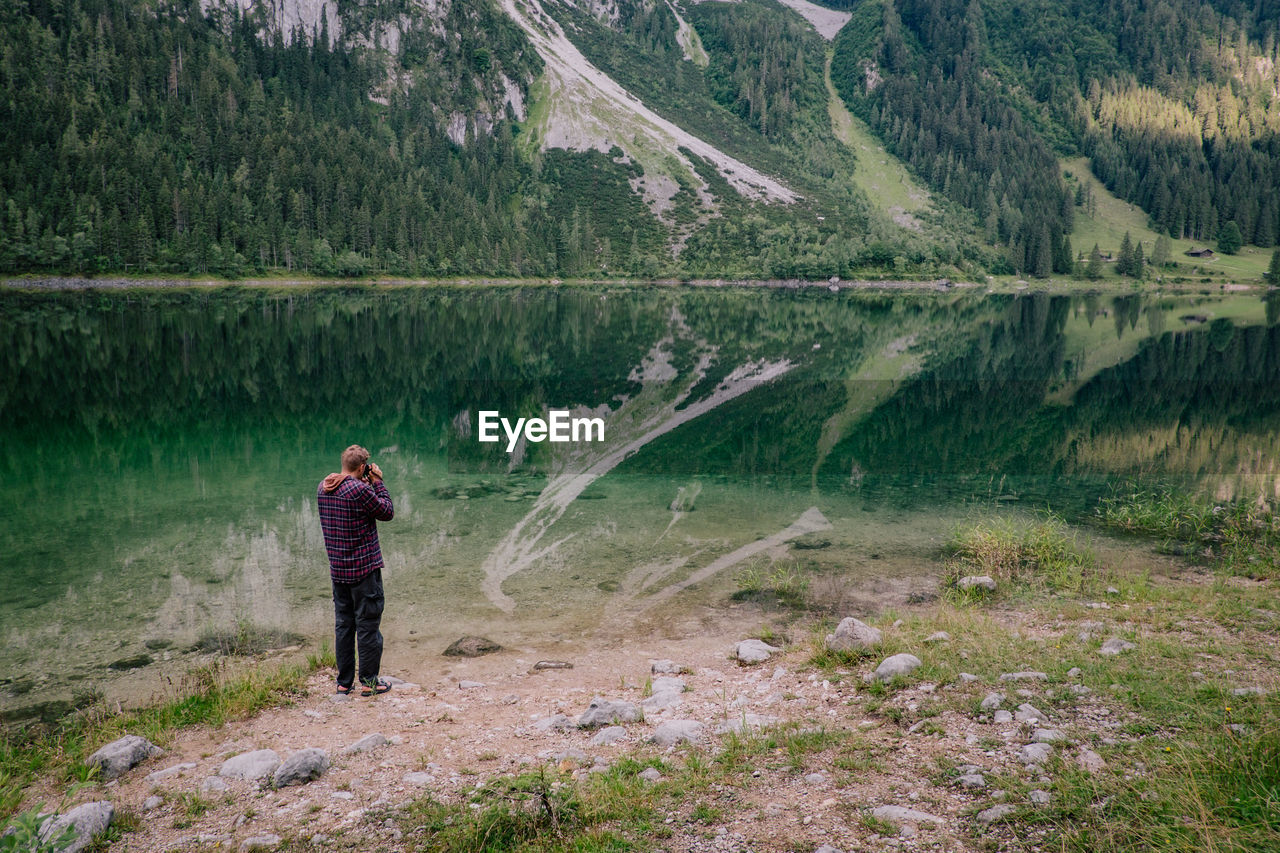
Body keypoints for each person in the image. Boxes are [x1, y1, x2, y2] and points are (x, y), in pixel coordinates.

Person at [317, 444, 395, 696]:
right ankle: (370, 682)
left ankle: (343, 682)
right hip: (364, 570)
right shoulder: (359, 490)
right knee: (368, 625)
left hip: (338, 571)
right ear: (362, 467)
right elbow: (386, 511)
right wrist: (378, 482)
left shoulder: (323, 487)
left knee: (344, 625)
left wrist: (365, 481)